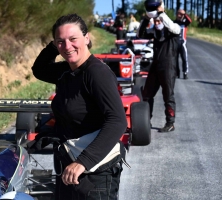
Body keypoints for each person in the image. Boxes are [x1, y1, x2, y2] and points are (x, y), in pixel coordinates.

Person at [31, 13, 128, 199]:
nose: (67, 47)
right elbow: (39, 70)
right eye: (60, 42)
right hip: (68, 165)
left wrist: (83, 162)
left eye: (73, 39)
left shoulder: (97, 74)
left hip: (94, 174)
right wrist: (54, 46)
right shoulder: (66, 70)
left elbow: (117, 121)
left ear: (86, 38)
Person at [137, 0, 180, 132]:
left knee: (168, 95)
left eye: (158, 21)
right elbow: (140, 33)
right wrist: (146, 19)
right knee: (147, 94)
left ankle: (170, 123)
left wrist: (161, 13)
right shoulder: (155, 32)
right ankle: (146, 120)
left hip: (169, 66)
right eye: (155, 21)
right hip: (155, 66)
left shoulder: (173, 30)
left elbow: (173, 27)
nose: (157, 23)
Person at [174, 9, 192, 79]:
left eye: (181, 14)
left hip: (183, 43)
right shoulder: (174, 22)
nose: (179, 15)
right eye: (178, 14)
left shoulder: (185, 22)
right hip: (175, 42)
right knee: (175, 59)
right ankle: (176, 73)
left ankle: (185, 73)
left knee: (184, 58)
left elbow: (190, 20)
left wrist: (184, 14)